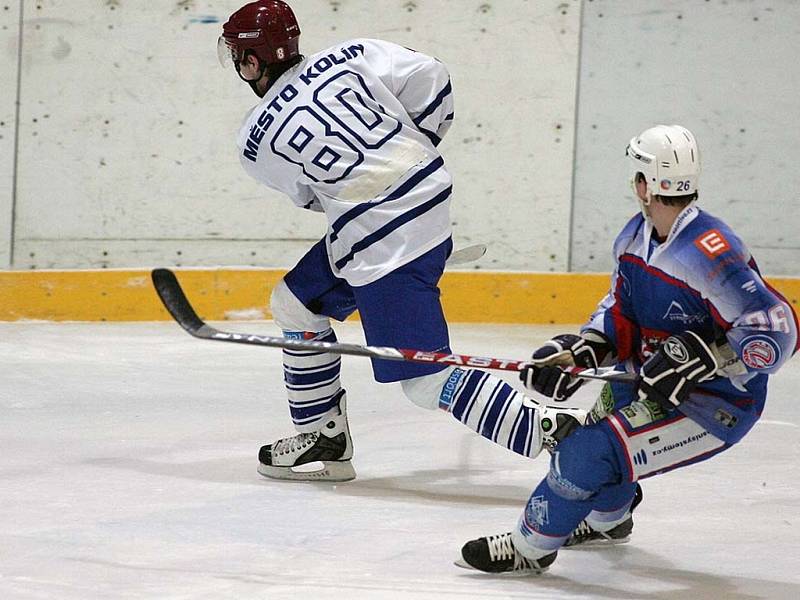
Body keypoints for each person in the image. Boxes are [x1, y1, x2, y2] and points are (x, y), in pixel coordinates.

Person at [217, 1, 584, 482]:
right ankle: (323, 437)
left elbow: (311, 196)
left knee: (425, 380)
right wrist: (408, 151)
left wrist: (375, 187)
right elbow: (433, 77)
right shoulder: (352, 53)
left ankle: (568, 438)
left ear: (251, 61)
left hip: (380, 241)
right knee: (294, 303)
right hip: (416, 204)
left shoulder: (255, 139)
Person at [459, 124, 799, 574]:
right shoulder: (634, 237)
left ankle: (531, 545)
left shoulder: (709, 249)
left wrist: (710, 357)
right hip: (647, 381)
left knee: (586, 454)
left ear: (645, 183)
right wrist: (583, 351)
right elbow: (621, 310)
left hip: (715, 404)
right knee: (593, 434)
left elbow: (778, 330)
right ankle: (608, 521)